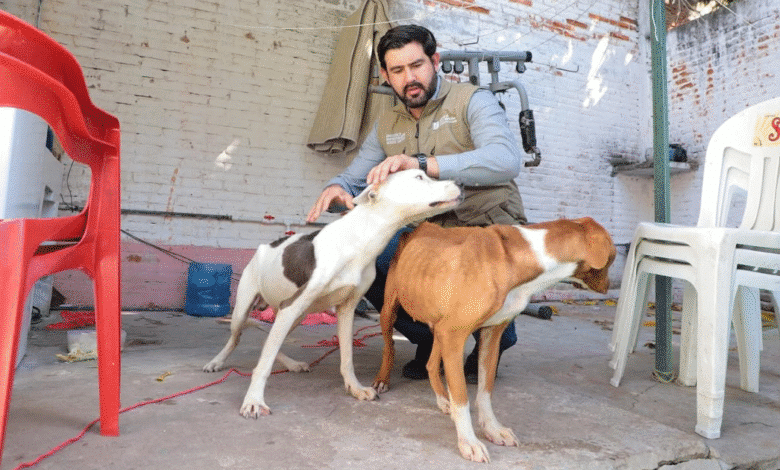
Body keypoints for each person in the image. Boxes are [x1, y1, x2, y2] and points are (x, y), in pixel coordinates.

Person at [307, 24, 527, 383]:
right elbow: (355, 177)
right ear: (386, 75)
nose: (409, 78)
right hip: (427, 230)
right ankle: (430, 339)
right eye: (397, 70)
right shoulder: (386, 123)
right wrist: (335, 188)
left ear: (434, 61)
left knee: (478, 272)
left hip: (484, 221)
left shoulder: (473, 100)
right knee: (366, 257)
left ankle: (496, 340)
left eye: (417, 65)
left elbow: (506, 160)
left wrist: (422, 164)